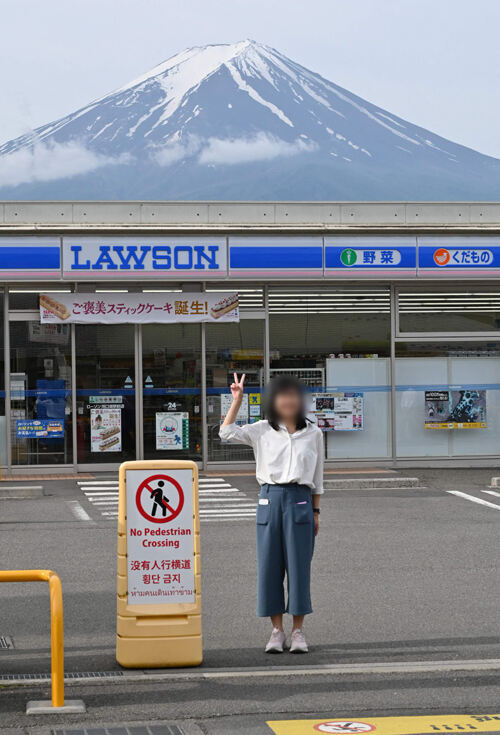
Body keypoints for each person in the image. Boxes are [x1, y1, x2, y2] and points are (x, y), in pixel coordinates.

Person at [219, 373, 323, 654]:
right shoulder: (261, 429)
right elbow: (225, 433)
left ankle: (298, 631)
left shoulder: (313, 433)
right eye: (282, 395)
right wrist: (237, 401)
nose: (288, 400)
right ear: (273, 401)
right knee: (269, 567)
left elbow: (318, 476)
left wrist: (315, 511)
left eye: (293, 396)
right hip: (269, 499)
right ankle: (276, 631)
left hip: (301, 501)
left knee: (299, 568)